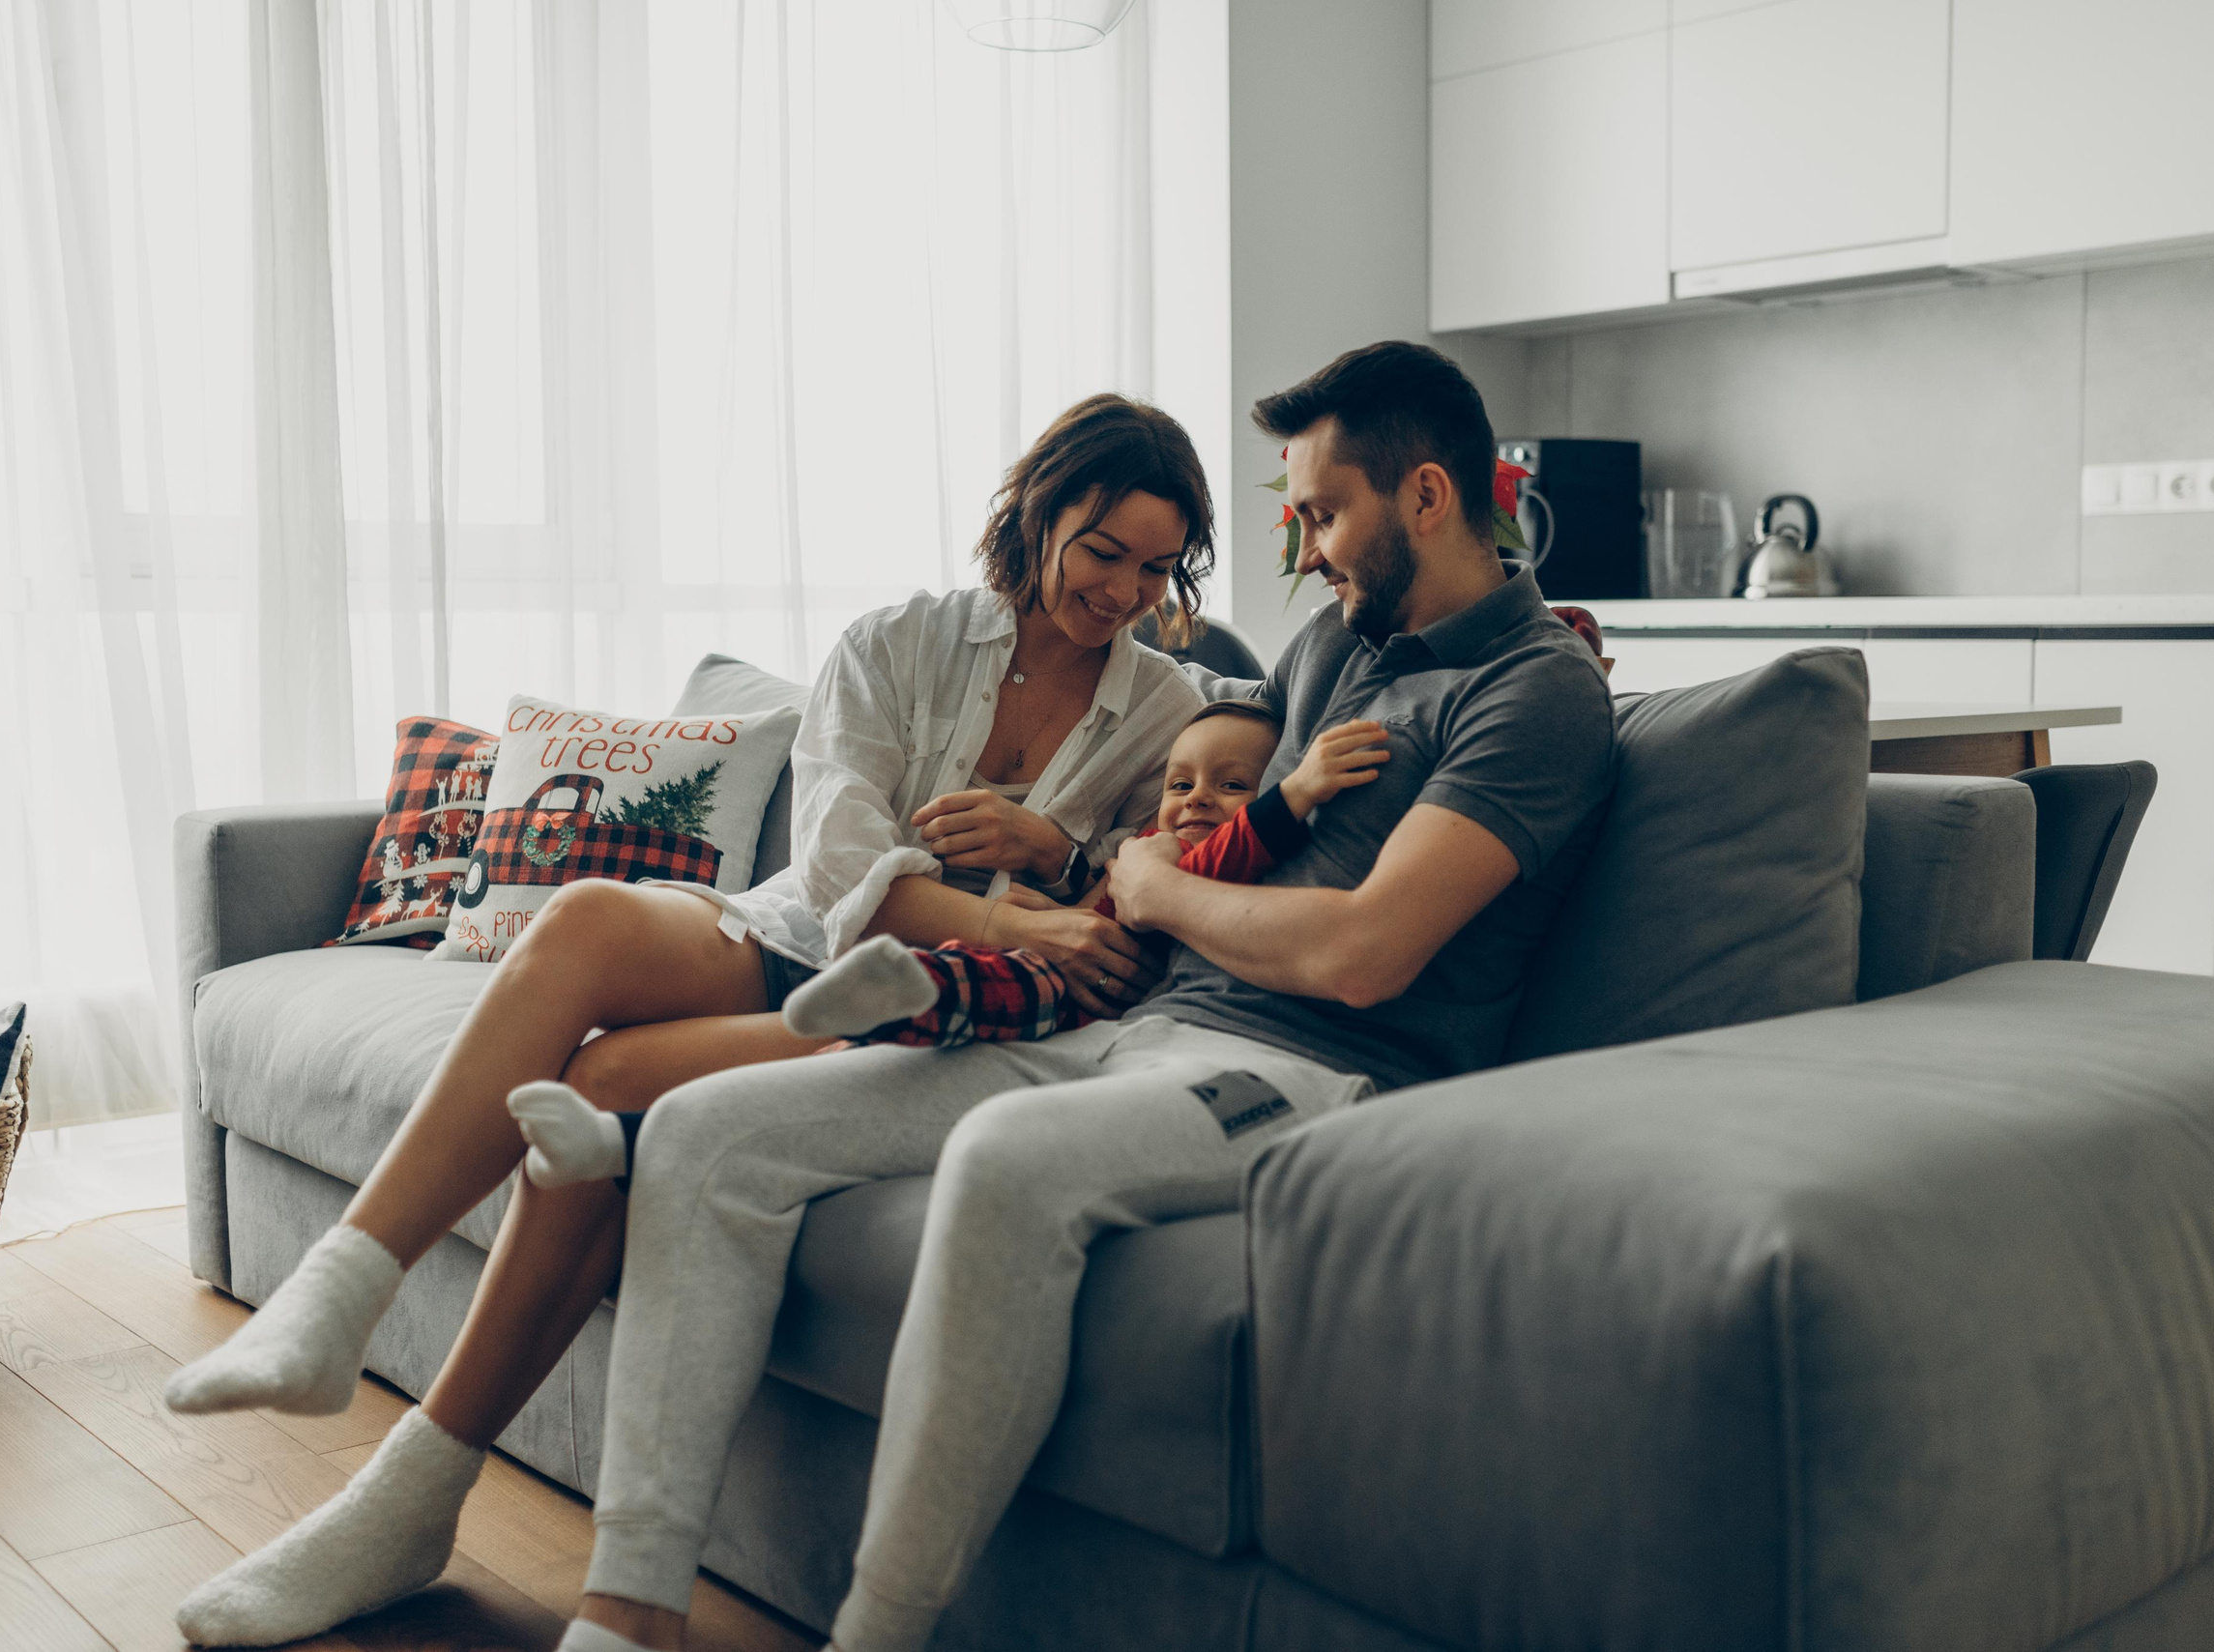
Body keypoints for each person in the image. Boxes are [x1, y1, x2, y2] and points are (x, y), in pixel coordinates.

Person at [565, 339, 1622, 1652]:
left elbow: (1364, 952)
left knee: (1009, 1160)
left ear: (1424, 495)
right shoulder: (1336, 647)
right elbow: (1204, 793)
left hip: (1311, 1072)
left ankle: (875, 1634)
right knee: (704, 1132)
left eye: (1324, 514)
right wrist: (1091, 863)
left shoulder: (1536, 689)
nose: (1307, 550)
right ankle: (627, 1608)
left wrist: (1158, 890)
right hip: (1137, 1023)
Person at [160, 392, 1221, 1649]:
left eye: (1158, 568)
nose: (1124, 592)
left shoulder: (1172, 709)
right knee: (583, 922)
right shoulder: (899, 642)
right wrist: (1009, 909)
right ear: (1039, 513)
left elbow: (1132, 909)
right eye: (1104, 551)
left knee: (603, 1088)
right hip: (805, 933)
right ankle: (338, 1295)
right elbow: (841, 872)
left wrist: (1051, 851)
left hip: (948, 1011)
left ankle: (407, 1498)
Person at [507, 701, 1389, 1194]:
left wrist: (1296, 793)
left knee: (912, 1026)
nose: (1198, 799)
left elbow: (1239, 850)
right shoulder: (1150, 849)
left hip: (1075, 1001)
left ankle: (625, 1134)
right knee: (886, 1044)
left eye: (1232, 785)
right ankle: (621, 1133)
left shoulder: (1208, 859)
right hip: (1041, 976)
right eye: (1180, 782)